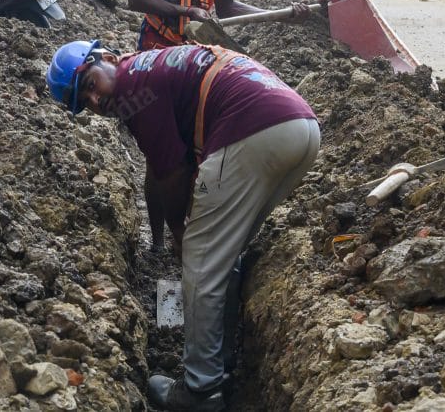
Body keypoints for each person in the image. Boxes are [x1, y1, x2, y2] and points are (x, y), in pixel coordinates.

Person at [46, 40, 320, 412]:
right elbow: (163, 167)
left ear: (108, 58)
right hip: (301, 129)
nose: (95, 100)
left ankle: (200, 390)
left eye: (91, 84)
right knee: (225, 252)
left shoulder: (134, 91)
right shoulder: (150, 67)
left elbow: (171, 173)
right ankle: (221, 363)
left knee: (201, 263)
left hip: (252, 130)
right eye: (84, 102)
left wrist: (179, 234)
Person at [128, 0, 310, 250]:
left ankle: (183, 237)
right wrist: (183, 11)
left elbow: (226, 8)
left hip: (197, 60)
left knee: (193, 151)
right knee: (161, 153)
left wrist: (281, 16)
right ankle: (156, 243)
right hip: (157, 52)